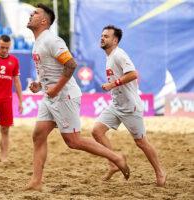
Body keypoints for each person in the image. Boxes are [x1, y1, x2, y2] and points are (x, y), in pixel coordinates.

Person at [22, 4, 130, 191]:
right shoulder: (38, 41)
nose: (31, 14)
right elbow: (50, 68)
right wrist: (40, 83)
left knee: (73, 141)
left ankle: (116, 158)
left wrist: (55, 89)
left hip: (64, 96)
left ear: (44, 21)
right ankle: (36, 182)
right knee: (38, 135)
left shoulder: (51, 40)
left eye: (36, 13)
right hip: (51, 96)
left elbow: (71, 64)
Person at [91, 25, 166, 186]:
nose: (102, 38)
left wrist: (113, 84)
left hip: (130, 107)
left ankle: (160, 172)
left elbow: (133, 74)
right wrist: (113, 87)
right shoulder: (110, 56)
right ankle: (113, 163)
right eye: (102, 35)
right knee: (96, 131)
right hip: (116, 105)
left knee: (141, 142)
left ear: (115, 40)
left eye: (106, 36)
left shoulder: (119, 54)